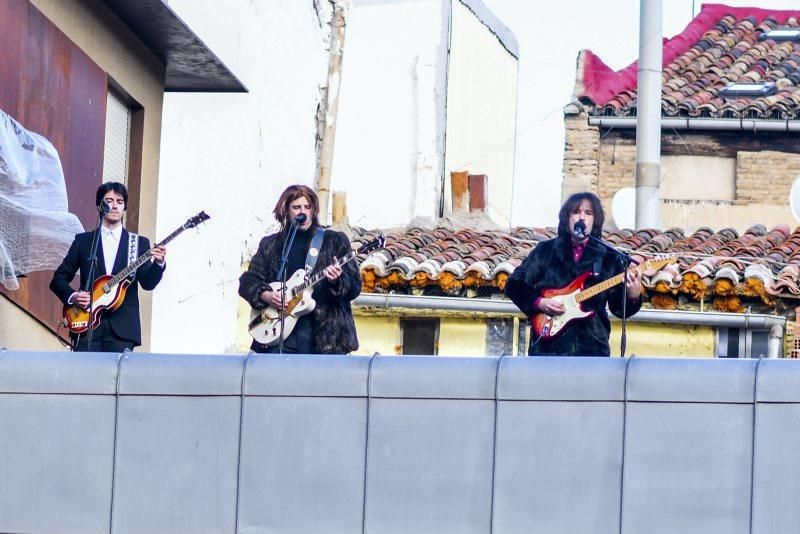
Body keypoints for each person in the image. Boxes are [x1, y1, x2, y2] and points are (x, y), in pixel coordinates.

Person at [505, 192, 642, 356]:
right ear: (567, 218)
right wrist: (539, 302)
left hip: (593, 351)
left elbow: (619, 309)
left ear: (595, 220)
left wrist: (633, 296)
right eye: (576, 212)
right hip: (548, 350)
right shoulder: (545, 251)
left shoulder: (609, 258)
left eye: (588, 213)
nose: (582, 218)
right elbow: (514, 284)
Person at [238, 184, 360, 354]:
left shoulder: (334, 241)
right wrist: (267, 295)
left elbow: (354, 286)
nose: (302, 211)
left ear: (314, 210)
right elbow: (248, 281)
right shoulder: (271, 244)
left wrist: (337, 281)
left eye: (307, 207)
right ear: (286, 210)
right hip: (279, 335)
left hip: (324, 340)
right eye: (296, 207)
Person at [50, 182, 166, 352]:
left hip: (122, 330)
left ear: (124, 207)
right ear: (99, 205)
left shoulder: (138, 244)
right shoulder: (84, 242)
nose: (114, 206)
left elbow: (148, 283)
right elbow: (58, 279)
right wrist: (73, 296)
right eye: (109, 201)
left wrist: (159, 263)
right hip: (85, 323)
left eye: (119, 202)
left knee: (116, 378)